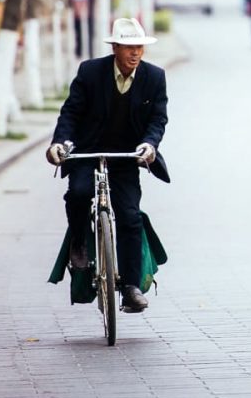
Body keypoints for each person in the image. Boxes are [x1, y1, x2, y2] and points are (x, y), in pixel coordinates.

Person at [46, 17, 170, 312]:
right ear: (115, 47)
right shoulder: (90, 72)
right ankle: (78, 241)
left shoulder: (154, 77)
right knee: (77, 194)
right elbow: (71, 112)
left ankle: (129, 287)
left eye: (139, 47)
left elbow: (158, 119)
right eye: (128, 47)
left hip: (127, 157)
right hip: (88, 152)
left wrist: (149, 146)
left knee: (129, 216)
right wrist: (59, 143)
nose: (135, 53)